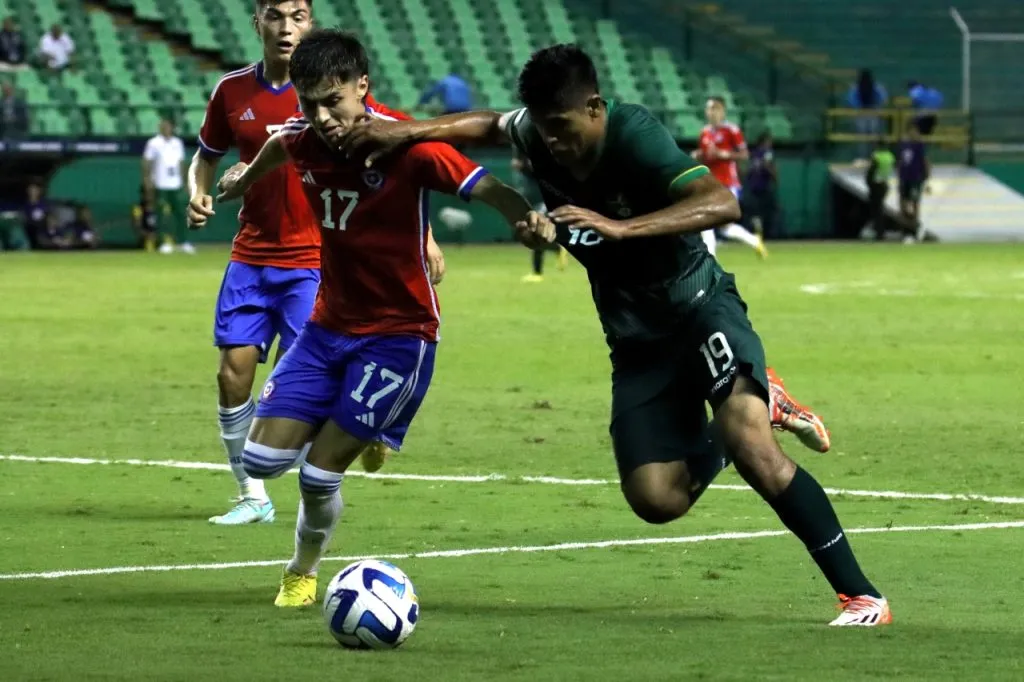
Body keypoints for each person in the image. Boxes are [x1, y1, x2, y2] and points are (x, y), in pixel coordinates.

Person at [336, 44, 891, 627]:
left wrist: (621, 228)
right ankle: (760, 401)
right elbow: (489, 124)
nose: (550, 141)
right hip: (634, 338)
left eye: (561, 127)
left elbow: (722, 202)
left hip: (697, 306)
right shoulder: (537, 129)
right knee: (657, 498)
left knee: (753, 443)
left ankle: (862, 596)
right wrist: (407, 133)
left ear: (595, 106)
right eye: (543, 129)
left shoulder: (634, 134)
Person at [214, 29, 552, 607]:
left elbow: (484, 185)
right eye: (309, 104)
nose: (322, 117)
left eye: (333, 101)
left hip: (401, 333)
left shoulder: (407, 144)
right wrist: (241, 181)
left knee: (318, 476)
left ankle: (301, 571)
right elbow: (277, 147)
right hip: (327, 328)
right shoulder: (301, 139)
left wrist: (528, 220)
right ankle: (363, 424)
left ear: (361, 86)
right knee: (258, 460)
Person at [187, 0, 444, 526]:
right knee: (231, 374)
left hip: (317, 261)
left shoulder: (337, 91)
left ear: (312, 22)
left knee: (311, 382)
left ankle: (361, 434)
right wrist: (199, 191)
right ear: (256, 22)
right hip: (251, 254)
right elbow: (206, 156)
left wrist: (428, 234)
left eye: (298, 15)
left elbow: (399, 157)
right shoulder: (232, 92)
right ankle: (252, 495)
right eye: (275, 16)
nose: (286, 27)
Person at [694, 97, 767, 259]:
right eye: (708, 109)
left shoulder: (732, 130)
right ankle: (754, 241)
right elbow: (705, 155)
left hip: (728, 183)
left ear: (722, 111)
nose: (710, 113)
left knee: (715, 224)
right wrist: (698, 155)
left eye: (714, 108)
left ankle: (713, 259)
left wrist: (724, 154)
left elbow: (744, 154)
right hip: (710, 183)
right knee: (712, 224)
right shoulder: (704, 132)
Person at [513, 150, 567, 282]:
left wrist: (522, 165)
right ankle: (557, 248)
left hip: (545, 200)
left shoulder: (545, 161)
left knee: (536, 230)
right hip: (535, 199)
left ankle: (537, 272)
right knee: (537, 232)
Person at [142, 117, 193, 254]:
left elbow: (181, 163)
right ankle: (163, 242)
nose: (165, 128)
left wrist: (185, 181)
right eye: (163, 126)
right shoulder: (153, 143)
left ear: (172, 127)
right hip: (160, 183)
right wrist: (148, 180)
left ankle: (183, 242)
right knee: (161, 214)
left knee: (180, 213)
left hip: (175, 184)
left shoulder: (177, 143)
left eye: (168, 126)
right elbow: (147, 162)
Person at [743, 132, 778, 239]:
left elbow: (747, 171)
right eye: (769, 141)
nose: (770, 144)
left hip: (753, 187)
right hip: (763, 187)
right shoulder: (767, 152)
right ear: (764, 142)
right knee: (768, 211)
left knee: (755, 213)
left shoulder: (753, 153)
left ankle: (757, 232)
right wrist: (775, 177)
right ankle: (766, 235)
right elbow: (768, 165)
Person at [897, 122, 929, 239]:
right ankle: (904, 229)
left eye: (915, 131)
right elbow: (900, 161)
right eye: (911, 131)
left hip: (916, 179)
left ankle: (914, 229)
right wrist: (899, 175)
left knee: (915, 203)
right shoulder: (903, 145)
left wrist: (926, 175)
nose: (913, 134)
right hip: (904, 178)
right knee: (902, 204)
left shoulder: (920, 145)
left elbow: (924, 160)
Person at [846, 69, 888, 158]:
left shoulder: (876, 86)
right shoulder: (856, 87)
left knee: (870, 136)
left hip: (870, 112)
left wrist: (876, 106)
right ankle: (864, 156)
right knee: (865, 136)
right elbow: (851, 99)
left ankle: (872, 156)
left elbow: (883, 98)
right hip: (865, 112)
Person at [864, 139, 895, 241]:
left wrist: (868, 183)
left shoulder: (876, 156)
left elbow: (871, 171)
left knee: (876, 210)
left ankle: (879, 232)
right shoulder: (890, 156)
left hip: (876, 184)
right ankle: (880, 231)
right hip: (885, 184)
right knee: (880, 208)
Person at [131, 185, 160, 252]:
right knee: (148, 245)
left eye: (151, 193)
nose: (149, 196)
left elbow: (167, 224)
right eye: (146, 193)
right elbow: (136, 226)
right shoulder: (138, 208)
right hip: (146, 239)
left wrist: (158, 235)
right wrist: (147, 234)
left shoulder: (161, 207)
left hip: (160, 238)